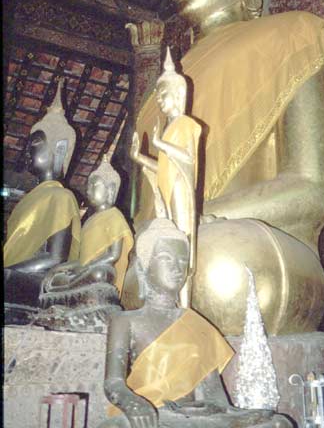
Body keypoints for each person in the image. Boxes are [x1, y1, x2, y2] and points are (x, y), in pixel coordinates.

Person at [124, 0, 324, 335]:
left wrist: (201, 217)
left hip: (255, 248)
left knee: (218, 264)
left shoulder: (296, 34)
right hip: (172, 252)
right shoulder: (159, 91)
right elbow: (145, 213)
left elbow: (314, 190)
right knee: (125, 272)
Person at [98, 218, 289, 428]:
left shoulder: (196, 324)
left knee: (278, 424)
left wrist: (235, 415)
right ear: (143, 266)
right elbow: (113, 383)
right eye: (166, 258)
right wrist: (133, 403)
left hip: (192, 418)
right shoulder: (125, 321)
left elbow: (215, 398)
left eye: (182, 261)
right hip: (150, 416)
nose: (177, 268)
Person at [130, 47, 201, 307]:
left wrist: (160, 143)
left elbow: (188, 158)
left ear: (179, 94)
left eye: (163, 95)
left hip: (181, 189)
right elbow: (163, 168)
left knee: (181, 243)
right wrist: (139, 157)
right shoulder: (170, 128)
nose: (159, 101)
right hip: (169, 189)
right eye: (158, 96)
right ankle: (173, 303)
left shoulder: (186, 124)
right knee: (170, 240)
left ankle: (185, 306)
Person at [4, 81, 81, 319]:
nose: (27, 152)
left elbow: (55, 257)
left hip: (38, 283)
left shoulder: (61, 196)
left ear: (59, 149)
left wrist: (8, 270)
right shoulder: (26, 201)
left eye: (35, 144)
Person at [41, 154, 134, 300]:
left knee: (100, 274)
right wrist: (58, 268)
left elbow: (113, 255)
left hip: (98, 270)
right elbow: (82, 259)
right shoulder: (89, 221)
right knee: (54, 278)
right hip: (83, 272)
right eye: (88, 186)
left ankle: (68, 289)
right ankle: (66, 288)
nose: (88, 191)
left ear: (110, 190)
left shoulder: (114, 216)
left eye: (94, 186)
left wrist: (85, 268)